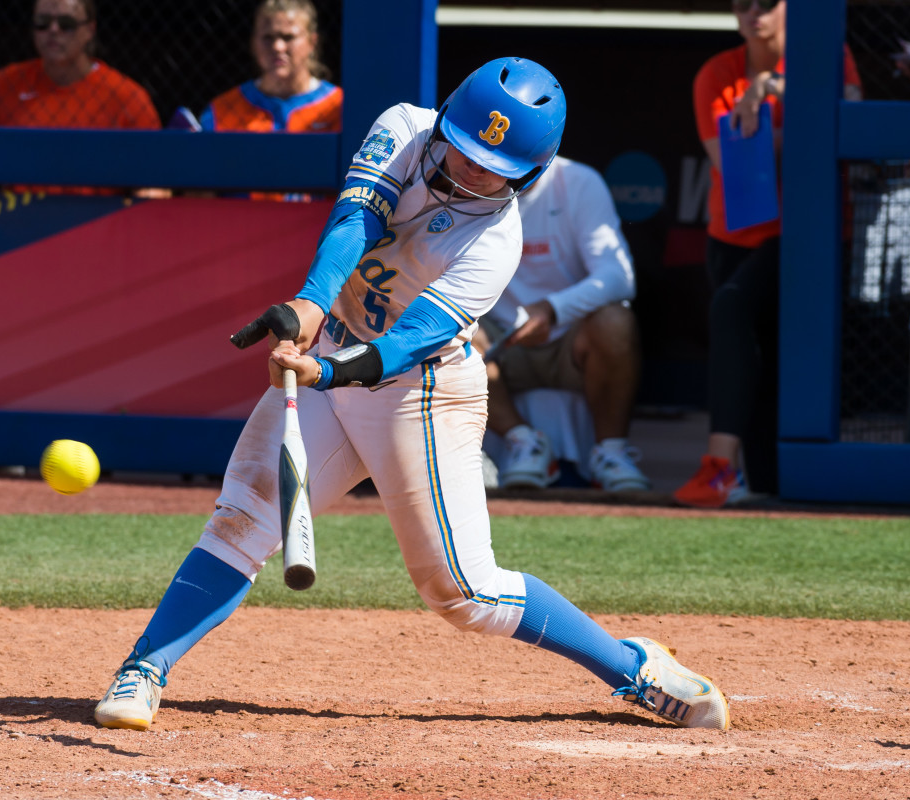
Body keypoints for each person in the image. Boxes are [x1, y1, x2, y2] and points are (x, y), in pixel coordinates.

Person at [92, 57, 730, 733]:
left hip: (419, 394)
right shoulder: (404, 127)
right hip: (336, 343)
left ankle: (634, 669)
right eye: (461, 146)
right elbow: (356, 222)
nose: (465, 169)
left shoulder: (496, 241)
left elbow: (409, 342)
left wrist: (327, 372)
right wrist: (311, 307)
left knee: (462, 593)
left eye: (491, 166)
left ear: (528, 176)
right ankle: (144, 669)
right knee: (245, 517)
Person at [675, 0, 862, 508]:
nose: (752, 13)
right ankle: (754, 487)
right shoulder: (718, 72)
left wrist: (778, 93)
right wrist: (804, 122)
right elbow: (730, 156)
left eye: (765, 3)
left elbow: (851, 115)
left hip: (808, 238)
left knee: (747, 323)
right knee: (747, 357)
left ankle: (721, 468)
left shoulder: (826, 55)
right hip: (732, 238)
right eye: (741, 4)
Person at [475, 155, 649, 492]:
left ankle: (610, 454)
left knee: (616, 321)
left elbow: (619, 276)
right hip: (499, 345)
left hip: (571, 343)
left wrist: (553, 311)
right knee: (449, 332)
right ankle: (522, 441)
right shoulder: (469, 185)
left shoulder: (579, 181)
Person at [0, 0, 160, 132]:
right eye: (43, 22)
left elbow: (156, 178)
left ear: (89, 30)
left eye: (66, 24)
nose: (53, 31)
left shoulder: (128, 97)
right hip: (19, 200)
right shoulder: (3, 84)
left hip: (96, 201)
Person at [198, 0, 342, 135]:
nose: (277, 47)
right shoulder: (221, 111)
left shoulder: (339, 106)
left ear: (312, 42)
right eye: (268, 37)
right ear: (253, 43)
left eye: (288, 37)